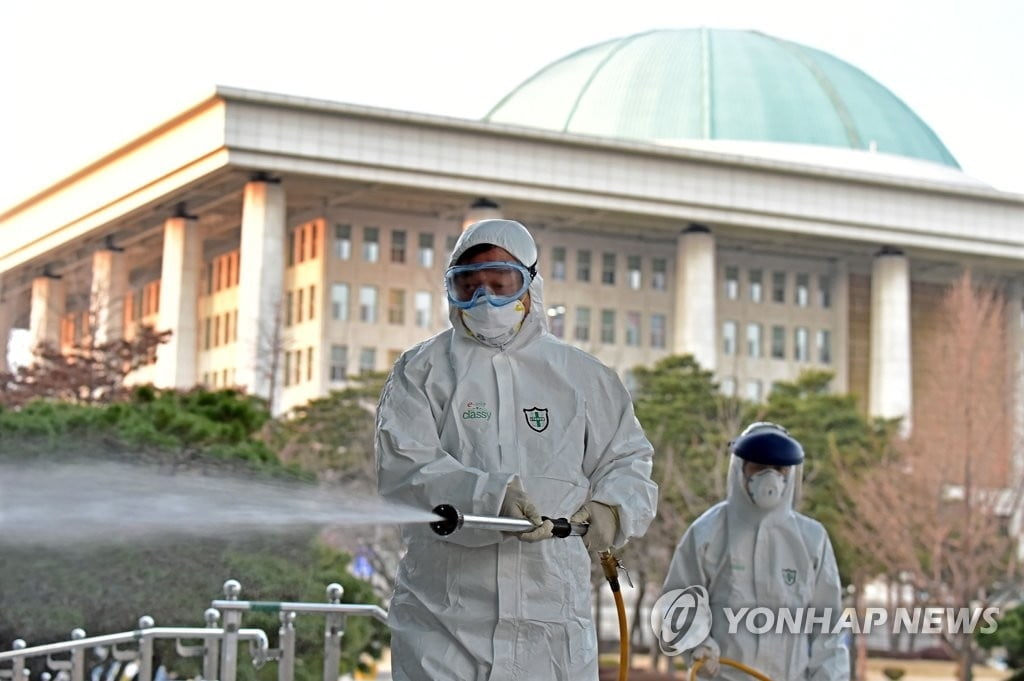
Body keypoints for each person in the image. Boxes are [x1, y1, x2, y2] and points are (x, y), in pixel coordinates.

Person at [375, 218, 658, 681]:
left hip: (552, 625)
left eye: (500, 281)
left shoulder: (584, 378)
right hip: (443, 625)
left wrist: (612, 508)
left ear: (530, 285)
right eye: (469, 285)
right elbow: (404, 469)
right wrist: (489, 498)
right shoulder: (421, 370)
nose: (484, 299)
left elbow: (627, 459)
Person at [661, 422, 849, 681]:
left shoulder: (811, 539)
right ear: (740, 468)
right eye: (759, 467)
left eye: (780, 468)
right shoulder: (708, 532)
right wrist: (696, 645)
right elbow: (678, 604)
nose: (770, 477)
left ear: (791, 473)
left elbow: (829, 629)